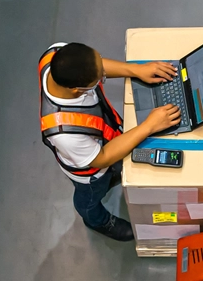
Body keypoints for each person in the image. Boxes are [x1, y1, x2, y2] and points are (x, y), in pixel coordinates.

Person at [37, 42, 182, 241]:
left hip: (105, 138)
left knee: (114, 172)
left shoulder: (55, 54)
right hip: (91, 172)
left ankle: (112, 180)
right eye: (98, 80)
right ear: (76, 90)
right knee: (89, 198)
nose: (102, 76)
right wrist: (149, 126)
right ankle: (97, 221)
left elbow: (96, 65)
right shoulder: (64, 132)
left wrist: (135, 70)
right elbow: (102, 158)